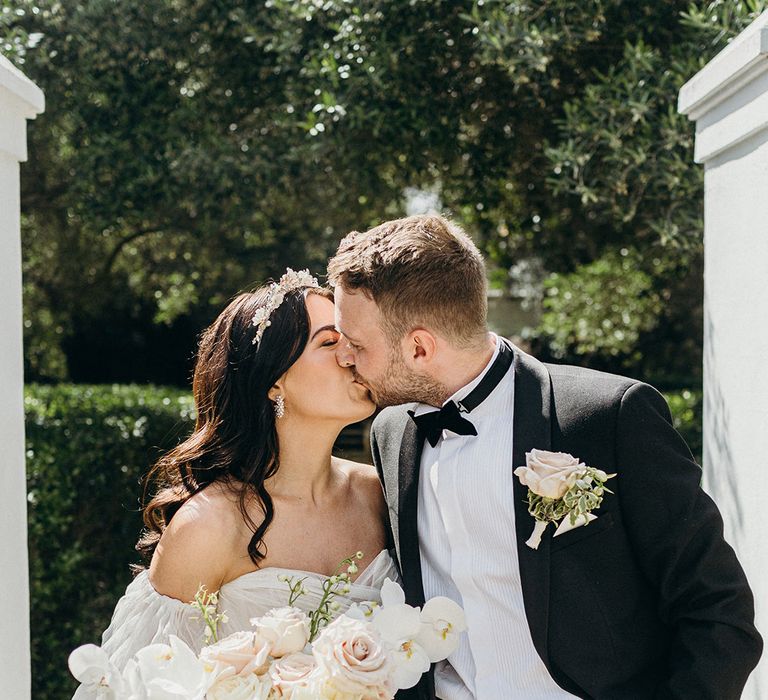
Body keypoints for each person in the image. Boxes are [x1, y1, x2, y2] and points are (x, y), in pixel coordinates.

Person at [327, 215, 763, 700]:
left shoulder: (608, 416)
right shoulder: (391, 434)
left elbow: (717, 611)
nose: (344, 356)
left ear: (420, 347)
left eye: (357, 344)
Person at [74, 270, 396, 696]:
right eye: (328, 342)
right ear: (273, 380)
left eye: (349, 339)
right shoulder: (208, 526)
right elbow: (142, 686)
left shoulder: (383, 492)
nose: (351, 355)